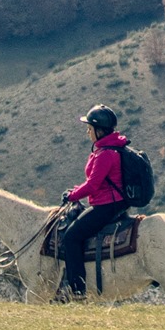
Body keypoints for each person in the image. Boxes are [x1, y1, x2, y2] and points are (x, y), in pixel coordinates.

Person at [55, 106, 135, 302]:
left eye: (90, 128)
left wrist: (72, 196)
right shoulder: (112, 149)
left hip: (106, 206)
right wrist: (75, 191)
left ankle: (77, 291)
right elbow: (97, 182)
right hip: (113, 203)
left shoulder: (106, 154)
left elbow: (93, 185)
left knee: (71, 238)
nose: (87, 132)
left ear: (99, 131)